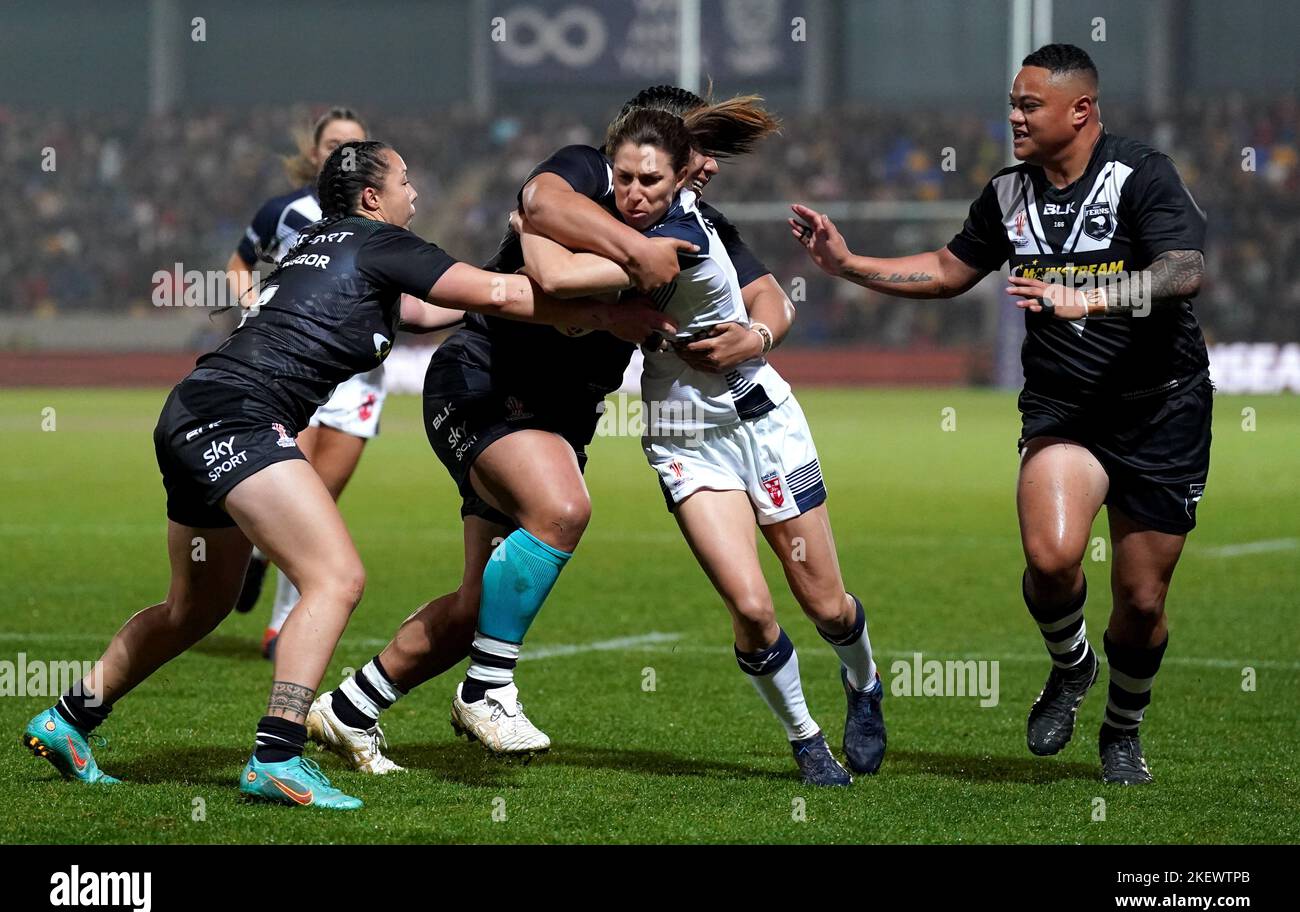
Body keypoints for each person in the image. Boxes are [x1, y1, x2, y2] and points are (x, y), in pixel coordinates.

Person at [20, 140, 665, 808]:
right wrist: (601, 299)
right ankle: (276, 755)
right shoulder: (385, 241)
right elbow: (501, 292)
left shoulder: (319, 244)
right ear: (371, 197)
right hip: (240, 416)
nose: (416, 194)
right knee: (335, 577)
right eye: (406, 181)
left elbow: (435, 310)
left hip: (194, 408)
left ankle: (69, 717)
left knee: (197, 606)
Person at [306, 87, 798, 772]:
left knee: (481, 602)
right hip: (484, 380)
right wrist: (620, 265)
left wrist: (759, 333)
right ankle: (486, 690)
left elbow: (765, 290)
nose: (707, 165)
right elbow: (539, 220)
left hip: (564, 411)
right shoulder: (588, 173)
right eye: (695, 149)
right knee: (561, 508)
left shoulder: (695, 227)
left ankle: (350, 707)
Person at [791, 44, 1211, 785]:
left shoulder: (1140, 173)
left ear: (1080, 109)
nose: (1013, 116)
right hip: (1066, 410)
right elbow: (952, 270)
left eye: (1028, 105)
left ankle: (1122, 728)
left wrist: (1094, 296)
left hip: (1162, 410)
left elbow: (1184, 270)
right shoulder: (1007, 192)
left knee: (1142, 602)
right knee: (1051, 559)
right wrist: (849, 265)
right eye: (1012, 103)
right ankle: (1071, 666)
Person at [514, 103, 886, 786]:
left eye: (649, 180)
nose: (632, 194)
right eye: (622, 177)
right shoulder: (640, 227)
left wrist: (524, 222)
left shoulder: (677, 237)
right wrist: (538, 214)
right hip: (686, 436)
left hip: (761, 421)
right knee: (749, 606)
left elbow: (557, 276)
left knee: (827, 605)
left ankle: (863, 684)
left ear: (681, 177)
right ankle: (806, 740)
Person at [225, 108, 459, 660]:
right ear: (314, 154)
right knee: (293, 484)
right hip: (297, 368)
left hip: (360, 378)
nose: (342, 151)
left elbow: (408, 300)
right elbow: (240, 264)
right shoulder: (285, 213)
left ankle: (274, 594)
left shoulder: (384, 228)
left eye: (353, 143)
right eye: (333, 144)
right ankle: (276, 604)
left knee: (320, 500)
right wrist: (253, 305)